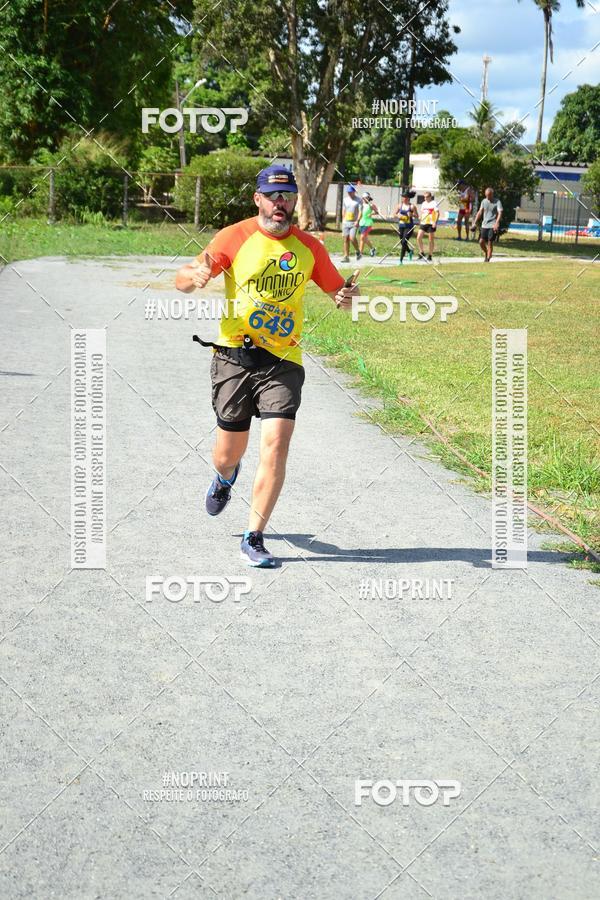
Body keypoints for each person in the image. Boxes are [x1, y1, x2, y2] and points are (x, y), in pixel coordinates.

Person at [175, 165, 358, 568]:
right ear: (257, 198)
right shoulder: (234, 237)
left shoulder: (309, 247)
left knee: (275, 446)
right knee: (227, 452)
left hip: (283, 360)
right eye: (273, 196)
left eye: (287, 196)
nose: (281, 203)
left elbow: (338, 290)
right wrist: (195, 275)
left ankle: (253, 535)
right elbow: (182, 279)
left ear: (295, 200)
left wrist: (347, 297)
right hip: (234, 358)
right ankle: (225, 477)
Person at [472, 187, 503, 262]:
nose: (487, 197)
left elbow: (500, 213)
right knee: (481, 242)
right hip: (484, 225)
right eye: (486, 195)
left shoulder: (497, 202)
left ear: (492, 194)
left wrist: (497, 223)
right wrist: (474, 222)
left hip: (492, 225)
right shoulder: (484, 201)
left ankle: (488, 259)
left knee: (490, 242)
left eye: (489, 195)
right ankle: (486, 252)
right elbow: (480, 212)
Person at [393, 190, 418, 264]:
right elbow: (394, 214)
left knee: (404, 241)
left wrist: (412, 215)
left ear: (408, 198)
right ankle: (409, 251)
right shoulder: (399, 205)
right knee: (402, 242)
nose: (403, 198)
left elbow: (417, 216)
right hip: (401, 226)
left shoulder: (412, 206)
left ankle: (400, 260)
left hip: (409, 227)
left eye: (404, 197)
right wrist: (398, 215)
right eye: (402, 197)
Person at [340, 184, 362, 262]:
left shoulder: (359, 200)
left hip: (354, 222)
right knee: (345, 239)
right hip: (346, 222)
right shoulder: (345, 200)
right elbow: (344, 210)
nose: (349, 193)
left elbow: (360, 211)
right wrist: (343, 219)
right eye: (348, 192)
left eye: (351, 192)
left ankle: (358, 251)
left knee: (352, 238)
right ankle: (346, 256)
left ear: (354, 192)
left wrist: (357, 221)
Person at [416, 191, 439, 261]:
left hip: (431, 223)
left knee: (430, 240)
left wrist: (435, 222)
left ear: (430, 197)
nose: (425, 198)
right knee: (418, 237)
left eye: (426, 197)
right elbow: (422, 212)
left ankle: (430, 255)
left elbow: (438, 213)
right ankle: (422, 252)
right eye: (424, 197)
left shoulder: (434, 203)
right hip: (423, 222)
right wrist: (420, 217)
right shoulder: (423, 203)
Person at [358, 192, 379, 257]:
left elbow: (377, 212)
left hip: (368, 223)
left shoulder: (371, 205)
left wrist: (371, 214)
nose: (365, 199)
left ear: (368, 198)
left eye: (366, 198)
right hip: (361, 223)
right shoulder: (361, 205)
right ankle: (372, 249)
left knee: (362, 237)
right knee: (364, 238)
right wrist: (357, 221)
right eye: (364, 198)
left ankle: (360, 253)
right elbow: (360, 214)